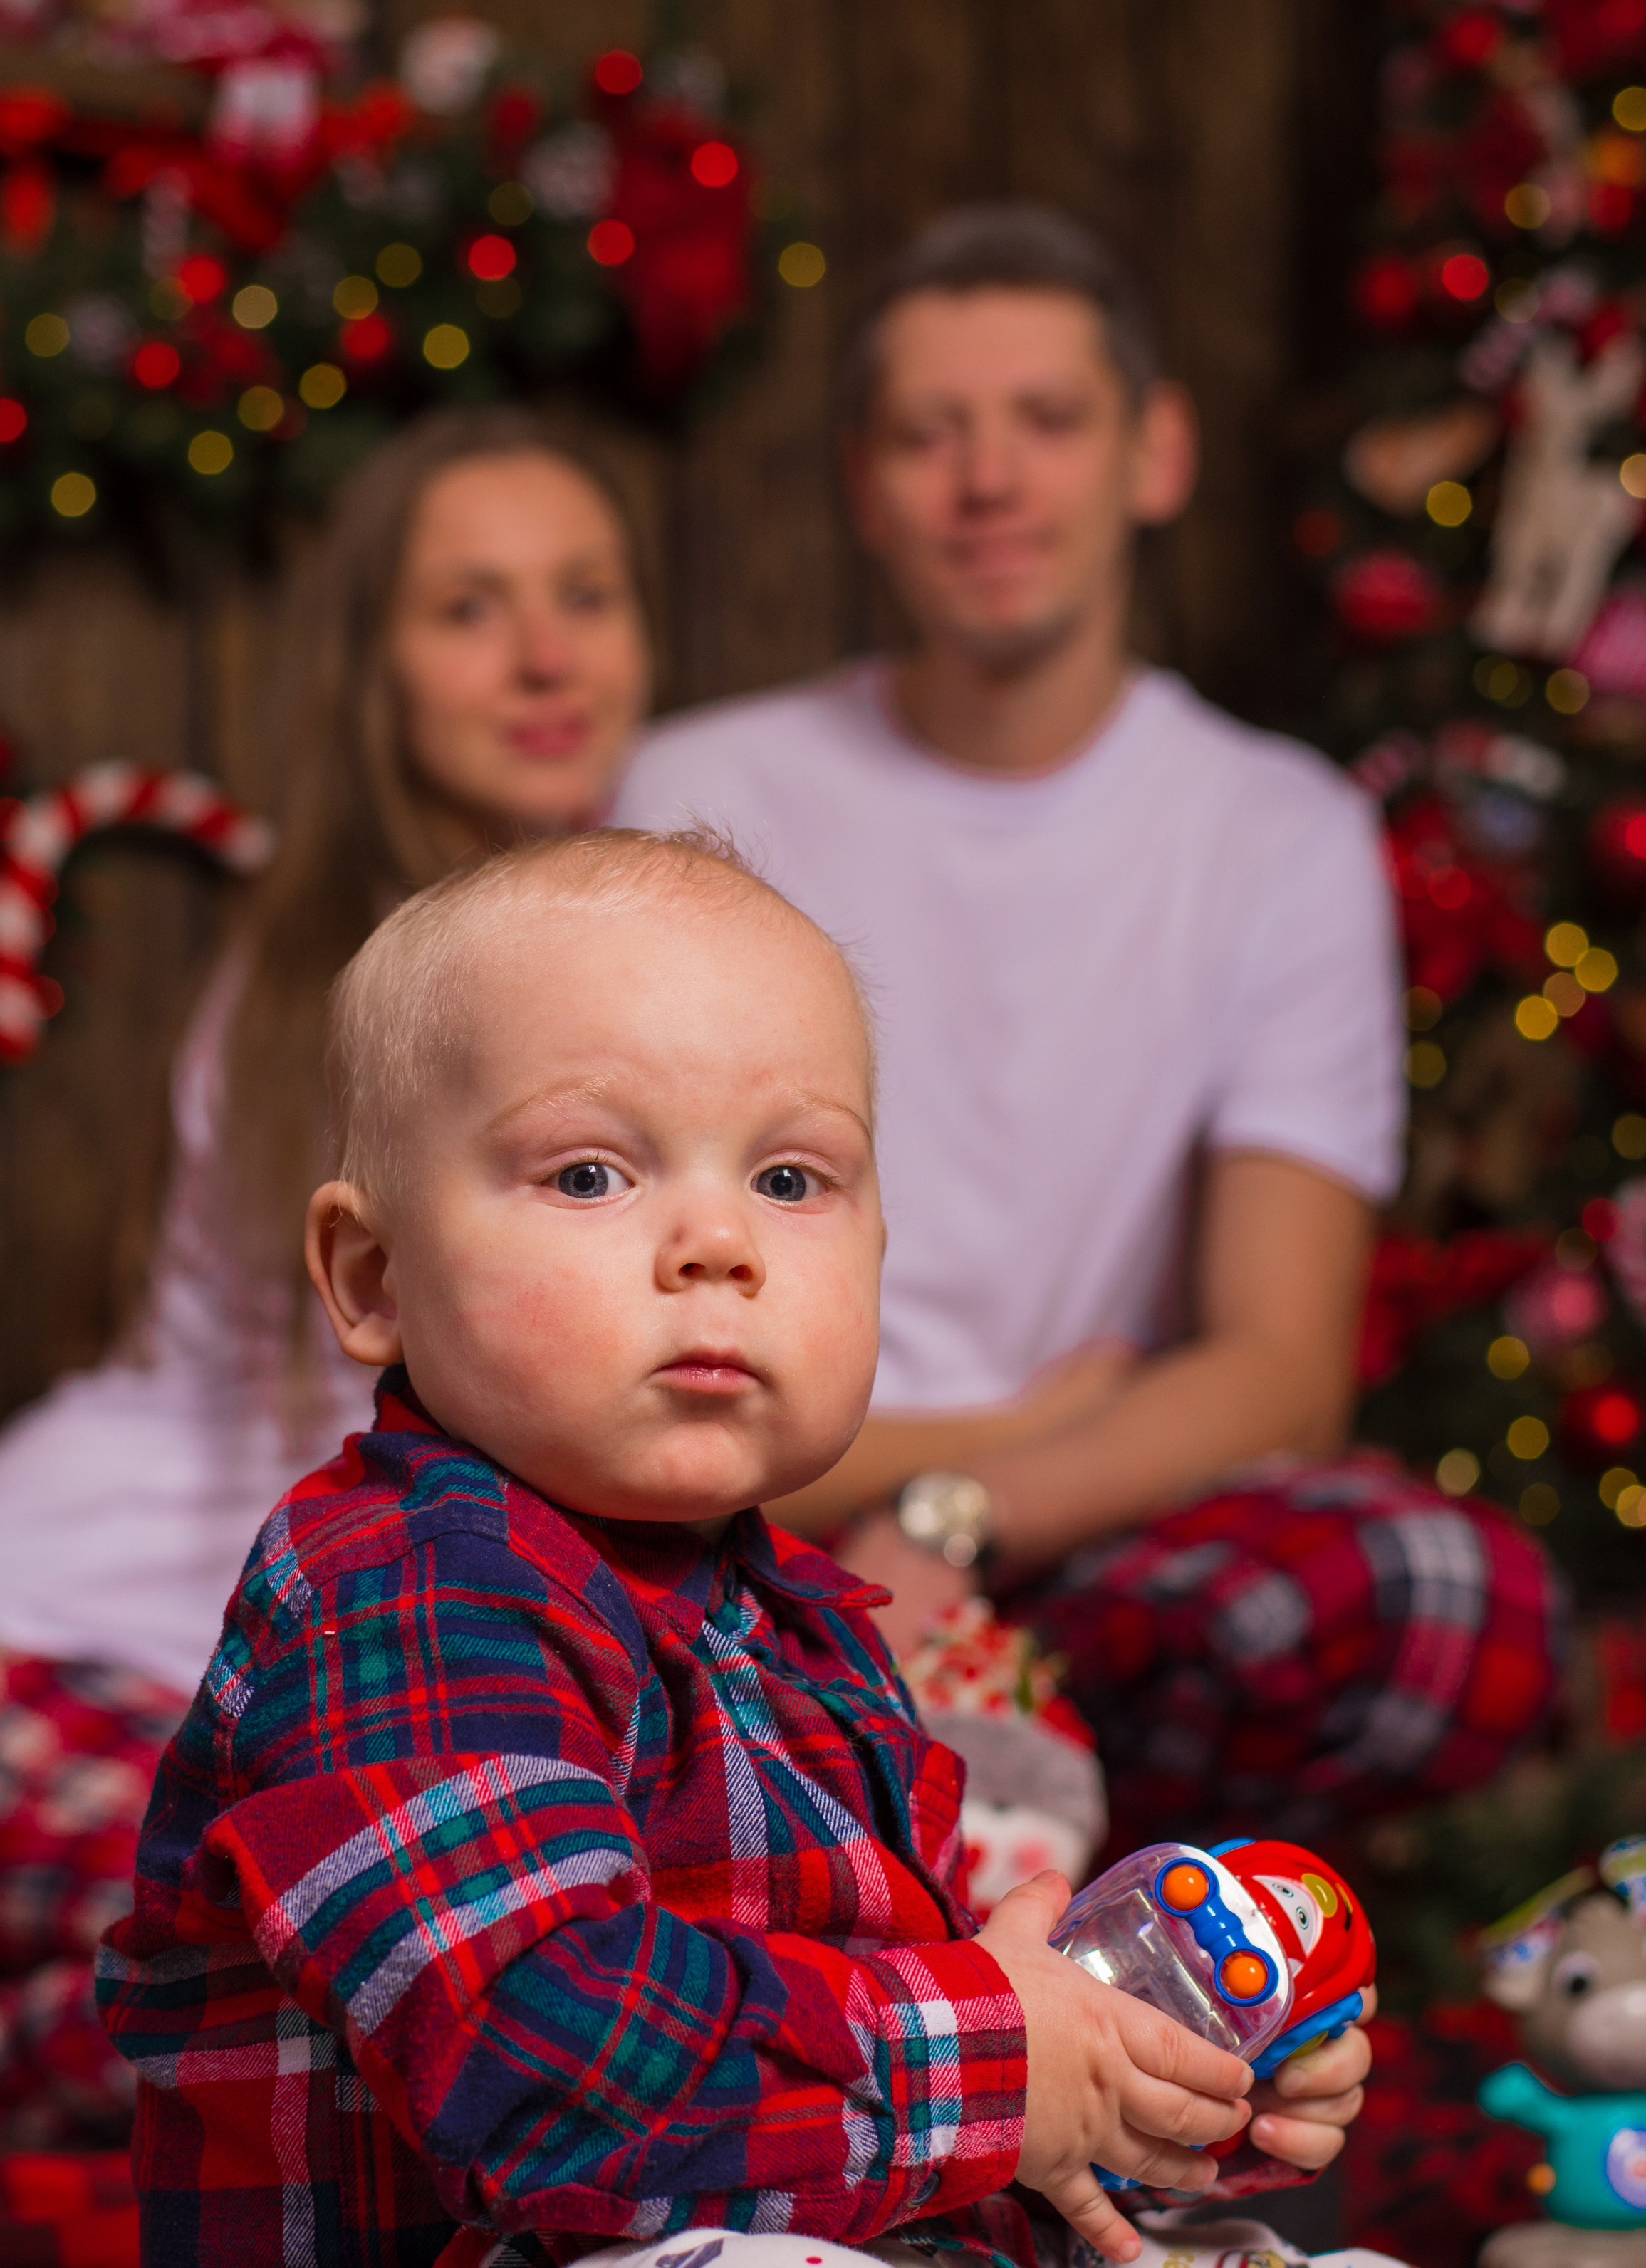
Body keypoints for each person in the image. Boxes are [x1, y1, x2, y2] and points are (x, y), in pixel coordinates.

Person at [100, 830, 1639, 2268]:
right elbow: (553, 2068)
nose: (716, 1239)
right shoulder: (396, 1590)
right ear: (371, 1274)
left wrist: (1145, 2080)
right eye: (590, 1171)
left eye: (795, 1176)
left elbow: (919, 2102)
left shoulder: (818, 1626)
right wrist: (1002, 2054)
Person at [613, 207, 1561, 1851]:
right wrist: (881, 1494)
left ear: (1155, 452)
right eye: (929, 434)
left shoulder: (1276, 831)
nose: (990, 483)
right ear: (862, 486)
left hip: (1071, 1539)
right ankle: (859, 1836)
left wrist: (957, 1514)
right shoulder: (692, 798)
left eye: (1047, 421)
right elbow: (599, 1312)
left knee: (1428, 1596)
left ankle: (1051, 1864)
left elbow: (1277, 1365)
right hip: (726, 1508)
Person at [0, 408, 652, 2141]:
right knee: (357, 1956)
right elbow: (576, 1401)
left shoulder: (591, 940)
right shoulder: (376, 977)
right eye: (470, 607)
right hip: (13, 1646)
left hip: (208, 1673)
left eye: (584, 592)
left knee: (418, 1971)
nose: (546, 650)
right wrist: (1009, 1441)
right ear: (375, 670)